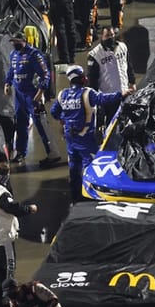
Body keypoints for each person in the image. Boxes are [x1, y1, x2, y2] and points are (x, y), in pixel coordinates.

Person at [50, 65, 126, 204]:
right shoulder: (87, 93)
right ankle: (91, 197)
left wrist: (64, 119)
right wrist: (121, 95)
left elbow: (54, 112)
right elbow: (103, 99)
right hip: (86, 139)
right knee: (91, 166)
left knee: (74, 167)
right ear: (81, 78)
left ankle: (75, 197)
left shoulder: (62, 95)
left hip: (70, 138)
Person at [0, 162, 38, 307]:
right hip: (3, 237)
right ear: (6, 176)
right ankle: (9, 297)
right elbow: (13, 208)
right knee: (8, 268)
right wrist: (29, 209)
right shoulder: (2, 193)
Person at [5, 33, 59, 168]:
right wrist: (7, 83)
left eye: (16, 41)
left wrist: (40, 92)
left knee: (41, 125)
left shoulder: (34, 55)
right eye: (12, 42)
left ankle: (53, 154)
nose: (14, 44)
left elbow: (45, 74)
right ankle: (21, 153)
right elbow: (11, 70)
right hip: (19, 95)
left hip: (32, 94)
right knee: (20, 124)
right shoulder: (13, 54)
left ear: (23, 41)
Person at [86, 26, 136, 127]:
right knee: (111, 125)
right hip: (109, 96)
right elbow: (92, 81)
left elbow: (129, 66)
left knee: (128, 122)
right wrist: (94, 100)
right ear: (102, 37)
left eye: (112, 35)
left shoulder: (122, 47)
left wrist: (132, 81)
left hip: (125, 92)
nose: (110, 38)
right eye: (107, 36)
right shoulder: (95, 55)